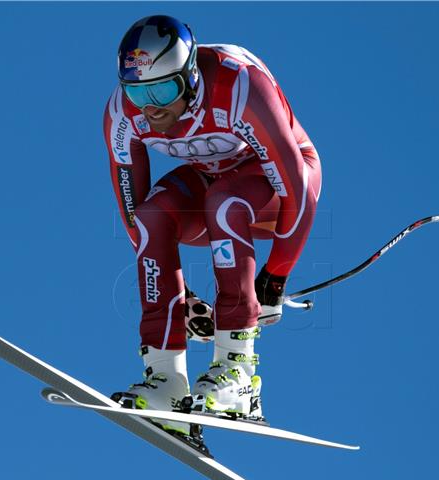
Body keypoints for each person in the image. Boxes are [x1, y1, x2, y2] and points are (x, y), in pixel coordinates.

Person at [102, 15, 321, 440]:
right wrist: (182, 299)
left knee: (226, 204)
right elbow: (134, 215)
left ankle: (237, 372)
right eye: (137, 91)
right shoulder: (123, 113)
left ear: (190, 77)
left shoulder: (239, 87)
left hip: (280, 187)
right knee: (152, 216)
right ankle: (165, 380)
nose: (151, 106)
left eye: (163, 89)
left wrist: (274, 279)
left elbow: (298, 191)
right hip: (213, 179)